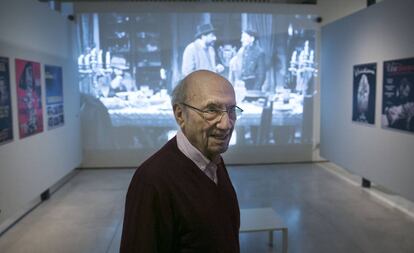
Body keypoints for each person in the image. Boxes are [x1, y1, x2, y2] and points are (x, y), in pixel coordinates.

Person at [120, 70, 242, 253]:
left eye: (231, 110)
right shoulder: (152, 181)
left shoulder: (213, 161)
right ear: (180, 115)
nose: (226, 124)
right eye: (211, 110)